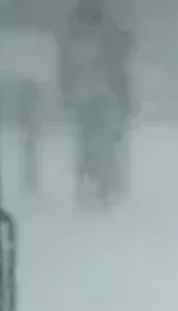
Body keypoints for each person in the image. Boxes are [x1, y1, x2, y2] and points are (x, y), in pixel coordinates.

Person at [58, 0, 133, 209]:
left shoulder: (81, 27)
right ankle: (101, 183)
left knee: (94, 139)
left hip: (93, 94)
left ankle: (97, 182)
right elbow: (120, 60)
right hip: (98, 94)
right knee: (99, 139)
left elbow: (66, 62)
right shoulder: (107, 26)